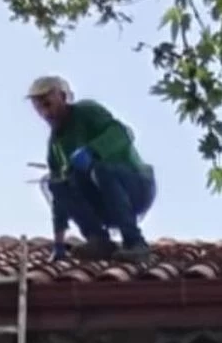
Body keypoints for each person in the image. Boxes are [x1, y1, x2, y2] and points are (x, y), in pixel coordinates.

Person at [27, 76, 156, 261]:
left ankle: (135, 242)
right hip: (104, 203)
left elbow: (123, 133)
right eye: (39, 109)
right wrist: (59, 243)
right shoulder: (55, 146)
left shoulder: (87, 112)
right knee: (56, 183)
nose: (46, 113)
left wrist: (93, 151)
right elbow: (59, 197)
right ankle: (98, 240)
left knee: (100, 170)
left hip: (136, 186)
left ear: (63, 97)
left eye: (48, 104)